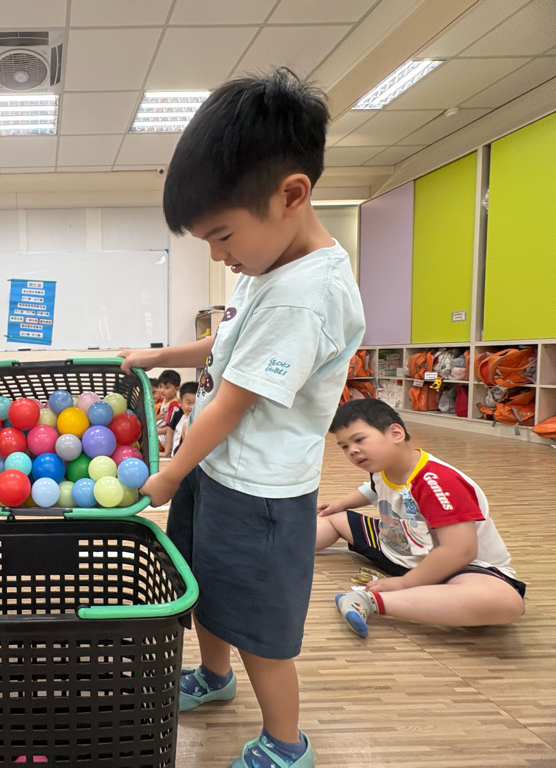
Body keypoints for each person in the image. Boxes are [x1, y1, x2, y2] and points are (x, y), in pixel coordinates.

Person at [120, 68, 364, 768]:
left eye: (222, 235)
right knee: (205, 588)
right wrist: (162, 354)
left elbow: (231, 400)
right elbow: (227, 346)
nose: (218, 255)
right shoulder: (267, 270)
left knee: (261, 627)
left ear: (291, 195)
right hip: (219, 471)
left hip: (262, 492)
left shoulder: (304, 296)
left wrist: (170, 473)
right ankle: (214, 676)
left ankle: (286, 744)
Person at [317, 398, 525, 637]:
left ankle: (368, 600)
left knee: (505, 602)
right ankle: (281, 548)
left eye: (359, 440)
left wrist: (404, 584)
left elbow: (460, 551)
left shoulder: (436, 481)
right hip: (397, 545)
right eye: (344, 446)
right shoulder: (382, 468)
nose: (352, 451)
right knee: (332, 517)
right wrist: (340, 503)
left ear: (395, 433)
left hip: (455, 567)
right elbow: (373, 488)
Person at [167, 381, 197, 457]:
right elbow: (169, 432)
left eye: (196, 403)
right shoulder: (177, 414)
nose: (192, 407)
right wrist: (166, 452)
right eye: (188, 403)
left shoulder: (200, 418)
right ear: (180, 402)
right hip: (176, 454)